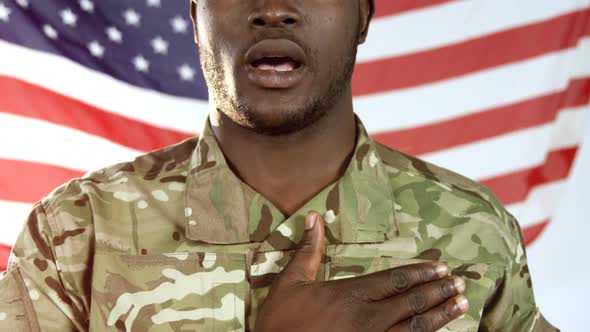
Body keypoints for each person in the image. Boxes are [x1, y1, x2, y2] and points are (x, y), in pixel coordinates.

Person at [0, 0, 557, 331]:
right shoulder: (77, 232)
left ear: (363, 14)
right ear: (196, 15)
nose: (273, 7)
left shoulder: (474, 229)